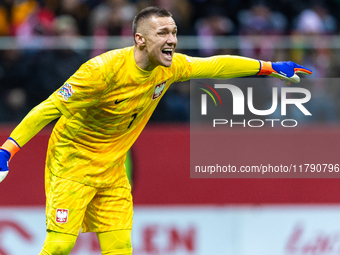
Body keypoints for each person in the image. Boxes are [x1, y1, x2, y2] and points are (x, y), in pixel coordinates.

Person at [0, 6, 312, 255]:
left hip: (112, 168)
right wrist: (7, 150)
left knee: (120, 247)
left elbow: (214, 65)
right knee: (59, 246)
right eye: (162, 33)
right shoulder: (100, 72)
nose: (172, 40)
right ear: (140, 39)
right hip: (72, 163)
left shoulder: (170, 66)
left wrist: (269, 67)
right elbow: (47, 109)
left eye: (174, 32)